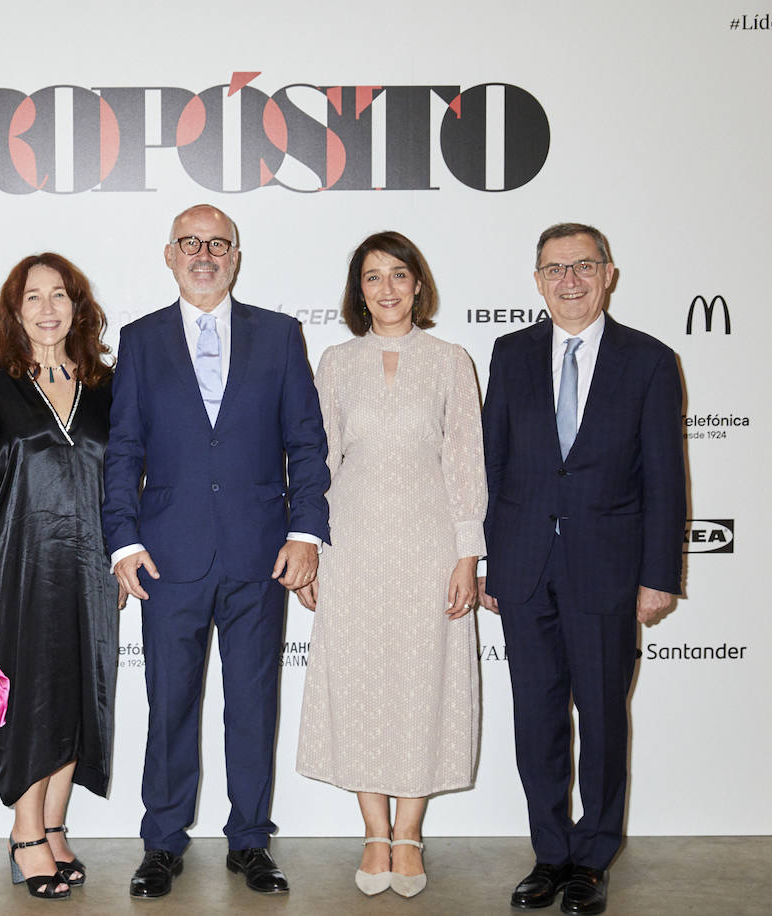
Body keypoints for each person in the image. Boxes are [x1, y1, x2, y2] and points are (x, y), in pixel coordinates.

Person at [102, 204, 330, 898]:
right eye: (191, 243)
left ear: (236, 255)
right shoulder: (140, 340)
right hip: (166, 555)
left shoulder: (280, 335)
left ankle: (252, 839)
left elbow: (307, 444)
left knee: (253, 701)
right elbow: (125, 449)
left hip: (260, 552)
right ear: (169, 254)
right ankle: (162, 842)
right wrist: (124, 539)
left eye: (218, 244)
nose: (205, 254)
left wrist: (305, 532)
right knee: (169, 701)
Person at [479, 223, 685, 915]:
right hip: (524, 568)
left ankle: (593, 860)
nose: (570, 280)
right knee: (536, 722)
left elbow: (665, 479)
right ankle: (550, 854)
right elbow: (493, 465)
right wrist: (488, 560)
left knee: (600, 721)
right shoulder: (510, 354)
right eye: (555, 268)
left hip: (608, 572)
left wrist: (659, 576)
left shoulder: (650, 361)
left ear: (609, 274)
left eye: (583, 266)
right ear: (537, 281)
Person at [296, 231, 487, 899]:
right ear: (359, 290)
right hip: (352, 542)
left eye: (398, 275)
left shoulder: (450, 359)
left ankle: (409, 833)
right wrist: (311, 550)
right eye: (373, 277)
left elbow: (465, 464)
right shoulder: (336, 362)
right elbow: (317, 463)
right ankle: (374, 833)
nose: (387, 289)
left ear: (417, 284)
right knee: (361, 683)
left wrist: (468, 555)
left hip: (431, 544)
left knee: (423, 681)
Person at [0, 253, 121, 901]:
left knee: (77, 697)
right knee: (29, 700)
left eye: (59, 296)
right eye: (32, 298)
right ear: (14, 313)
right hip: (18, 565)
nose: (47, 309)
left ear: (79, 306)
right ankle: (25, 834)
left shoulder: (107, 384)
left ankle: (52, 824)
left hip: (92, 568)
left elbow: (128, 480)